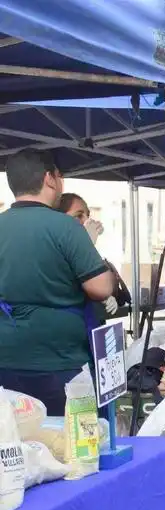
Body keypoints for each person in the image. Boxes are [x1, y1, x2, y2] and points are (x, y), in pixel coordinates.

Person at [0, 149, 114, 415]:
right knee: (71, 445)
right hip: (59, 362)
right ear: (50, 178)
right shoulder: (66, 227)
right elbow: (101, 287)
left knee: (18, 443)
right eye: (60, 177)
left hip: (6, 359)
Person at [56, 193, 129, 322]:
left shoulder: (87, 248)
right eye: (78, 216)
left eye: (87, 215)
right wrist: (86, 244)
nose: (87, 220)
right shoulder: (56, 250)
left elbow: (97, 282)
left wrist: (104, 298)